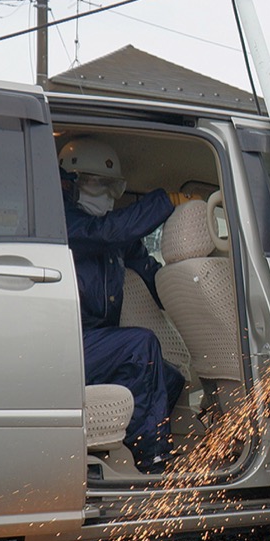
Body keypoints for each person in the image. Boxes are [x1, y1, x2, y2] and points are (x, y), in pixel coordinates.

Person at [59, 136, 192, 474]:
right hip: (63, 346)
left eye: (111, 186)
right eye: (95, 183)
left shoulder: (113, 240)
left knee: (168, 375)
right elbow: (106, 232)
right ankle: (152, 457)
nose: (105, 195)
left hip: (93, 344)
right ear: (69, 184)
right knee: (139, 345)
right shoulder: (66, 223)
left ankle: (124, 451)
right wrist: (168, 201)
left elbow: (149, 270)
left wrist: (186, 293)